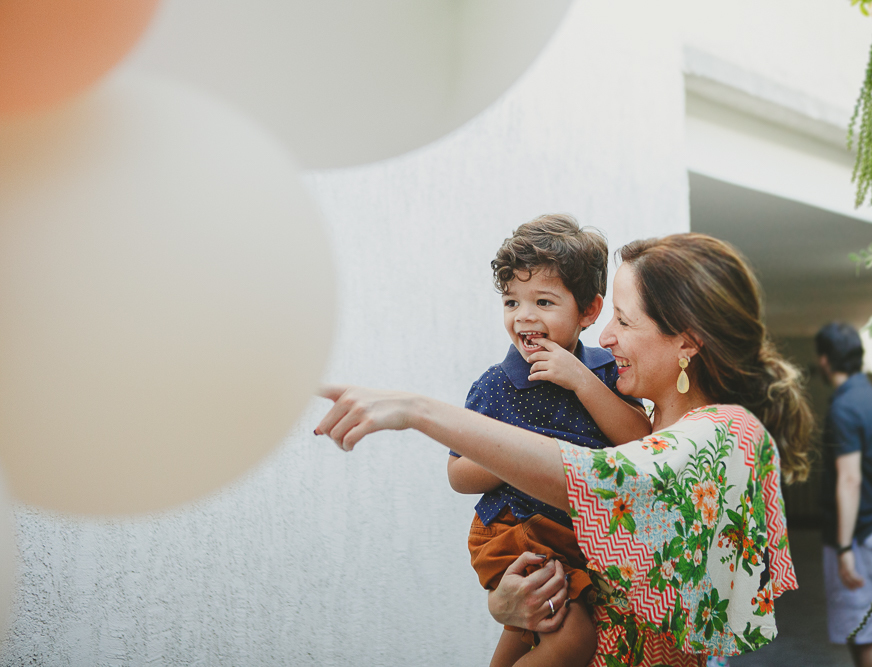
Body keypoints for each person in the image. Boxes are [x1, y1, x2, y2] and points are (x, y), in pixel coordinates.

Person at [315, 233, 813, 666]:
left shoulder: (723, 433)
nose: (605, 336)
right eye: (512, 301)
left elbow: (601, 479)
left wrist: (419, 410)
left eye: (623, 319)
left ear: (687, 342)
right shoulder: (653, 421)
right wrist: (507, 605)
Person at [448, 214, 651, 667]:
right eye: (511, 302)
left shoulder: (605, 371)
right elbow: (457, 473)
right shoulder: (495, 385)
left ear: (588, 311)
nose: (524, 316)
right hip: (513, 531)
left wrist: (582, 381)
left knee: (530, 633)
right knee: (571, 635)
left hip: (576, 536)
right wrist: (521, 449)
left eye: (542, 300)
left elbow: (642, 441)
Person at [815, 323, 872, 667]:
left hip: (858, 535)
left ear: (824, 361)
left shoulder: (844, 408)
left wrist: (844, 547)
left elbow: (849, 480)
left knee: (864, 635)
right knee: (864, 630)